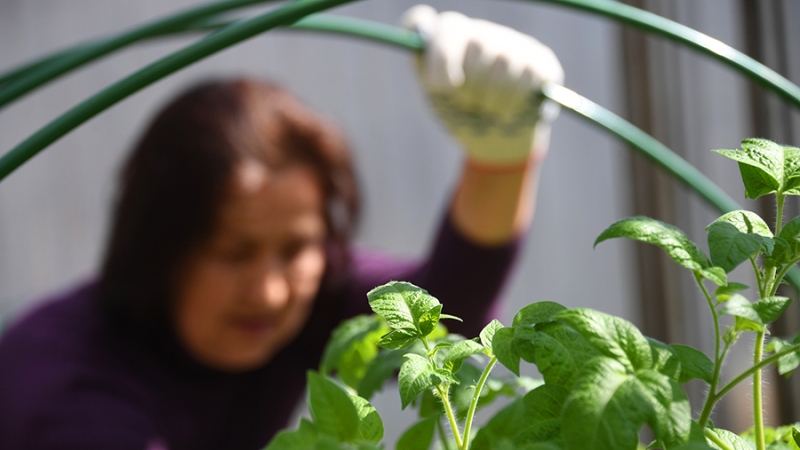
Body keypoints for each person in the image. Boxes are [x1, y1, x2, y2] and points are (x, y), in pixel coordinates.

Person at [0, 5, 564, 450]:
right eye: (234, 252)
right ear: (159, 249)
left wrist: (502, 157)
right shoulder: (69, 387)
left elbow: (440, 313)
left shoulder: (307, 302)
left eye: (296, 248)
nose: (269, 291)